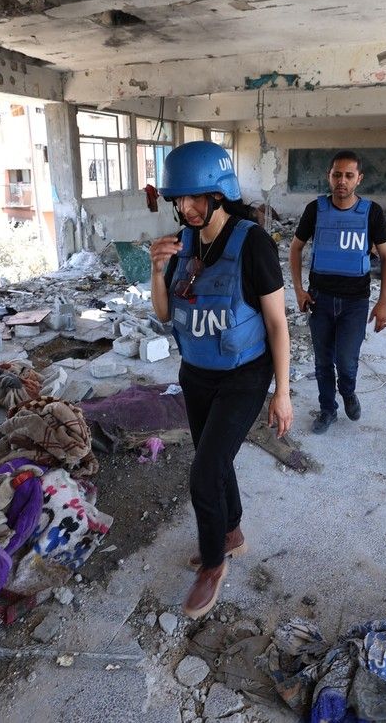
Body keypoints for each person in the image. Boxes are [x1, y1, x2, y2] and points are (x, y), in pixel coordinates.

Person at [149, 140, 293, 619]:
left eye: (196, 198)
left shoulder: (252, 244)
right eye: (179, 200)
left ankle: (213, 565)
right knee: (216, 457)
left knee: (205, 471)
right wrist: (156, 269)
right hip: (197, 373)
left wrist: (283, 394)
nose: (186, 209)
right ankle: (230, 532)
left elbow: (277, 324)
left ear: (219, 194)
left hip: (243, 375)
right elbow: (166, 313)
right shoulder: (183, 244)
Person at [289, 150, 386, 434]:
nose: (342, 181)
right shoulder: (316, 209)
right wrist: (298, 290)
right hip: (320, 298)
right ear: (329, 176)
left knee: (346, 362)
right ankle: (327, 410)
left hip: (355, 302)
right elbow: (296, 248)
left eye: (349, 175)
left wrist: (383, 303)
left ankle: (348, 391)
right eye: (337, 174)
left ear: (359, 179)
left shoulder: (371, 212)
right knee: (323, 362)